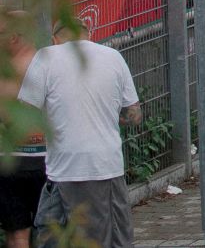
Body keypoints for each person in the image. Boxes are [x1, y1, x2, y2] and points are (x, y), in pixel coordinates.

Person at [18, 28, 140, 248]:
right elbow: (134, 114)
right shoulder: (112, 56)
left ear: (54, 38)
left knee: (50, 232)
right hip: (104, 166)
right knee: (109, 237)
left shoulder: (46, 56)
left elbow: (25, 111)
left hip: (62, 167)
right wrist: (116, 119)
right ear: (88, 34)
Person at [0, 13, 46, 248]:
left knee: (17, 233)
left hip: (11, 160)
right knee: (50, 229)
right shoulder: (50, 64)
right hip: (46, 158)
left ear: (16, 36)